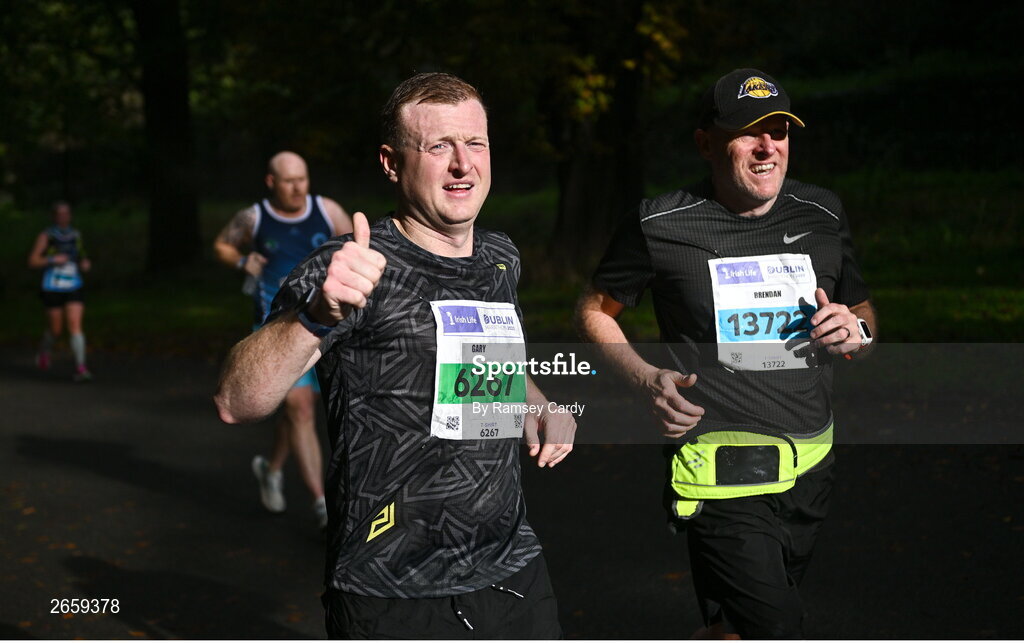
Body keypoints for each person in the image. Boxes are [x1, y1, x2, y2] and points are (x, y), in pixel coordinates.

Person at [215, 72, 575, 639]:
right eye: (438, 147)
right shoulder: (348, 267)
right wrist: (316, 315)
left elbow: (490, 360)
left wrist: (538, 401)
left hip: (512, 572)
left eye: (475, 143)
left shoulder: (500, 257)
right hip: (391, 590)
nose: (463, 164)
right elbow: (238, 400)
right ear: (391, 162)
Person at [576, 68, 877, 639]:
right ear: (705, 143)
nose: (769, 147)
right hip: (719, 471)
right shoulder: (660, 224)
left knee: (734, 626)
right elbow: (593, 311)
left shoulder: (822, 214)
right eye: (749, 132)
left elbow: (861, 313)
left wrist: (855, 333)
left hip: (812, 466)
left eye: (780, 131)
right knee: (776, 624)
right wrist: (646, 380)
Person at [213, 151, 352, 529]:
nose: (298, 188)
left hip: (325, 323)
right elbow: (223, 245)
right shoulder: (254, 217)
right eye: (289, 181)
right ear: (272, 182)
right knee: (302, 409)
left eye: (302, 179)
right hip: (273, 327)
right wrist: (242, 262)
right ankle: (323, 506)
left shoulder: (327, 211)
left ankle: (271, 469)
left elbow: (356, 248)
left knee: (295, 413)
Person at [27, 201, 93, 382]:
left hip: (73, 284)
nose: (64, 217)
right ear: (54, 216)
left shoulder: (76, 235)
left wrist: (85, 264)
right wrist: (52, 259)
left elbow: (81, 256)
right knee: (56, 330)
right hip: (52, 286)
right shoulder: (46, 236)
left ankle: (81, 367)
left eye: (67, 213)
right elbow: (32, 261)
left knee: (75, 324)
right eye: (60, 214)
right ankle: (44, 351)